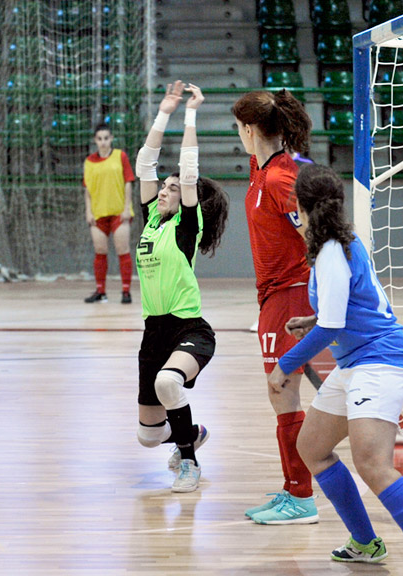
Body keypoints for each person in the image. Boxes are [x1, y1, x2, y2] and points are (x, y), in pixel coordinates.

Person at [269, 164, 403, 576]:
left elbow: (334, 325)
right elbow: (349, 308)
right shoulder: (335, 245)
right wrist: (310, 321)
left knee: (371, 461)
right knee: (312, 448)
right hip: (356, 361)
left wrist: (285, 364)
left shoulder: (333, 252)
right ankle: (366, 542)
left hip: (381, 361)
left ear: (301, 207)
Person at [132, 81, 229, 492]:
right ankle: (192, 432)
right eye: (165, 188)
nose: (166, 191)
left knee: (168, 383)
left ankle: (189, 462)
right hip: (154, 331)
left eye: (174, 189)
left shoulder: (186, 225)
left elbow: (188, 172)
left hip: (189, 329)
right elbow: (144, 165)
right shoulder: (152, 219)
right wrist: (164, 111)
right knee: (148, 436)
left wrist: (190, 114)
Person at [232, 89, 319, 524]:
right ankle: (293, 488)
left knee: (281, 388)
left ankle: (301, 496)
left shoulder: (280, 178)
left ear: (249, 130)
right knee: (281, 389)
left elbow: (321, 230)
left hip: (291, 292)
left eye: (239, 128)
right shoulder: (261, 166)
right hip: (273, 293)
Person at [83, 123, 136, 304]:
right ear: (95, 141)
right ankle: (101, 291)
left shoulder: (120, 156)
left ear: (111, 138)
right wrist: (88, 211)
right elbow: (87, 189)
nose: (103, 142)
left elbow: (128, 182)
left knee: (123, 250)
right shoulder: (89, 162)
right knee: (100, 251)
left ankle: (126, 291)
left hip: (118, 212)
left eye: (106, 138)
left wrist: (126, 208)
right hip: (98, 213)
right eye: (100, 139)